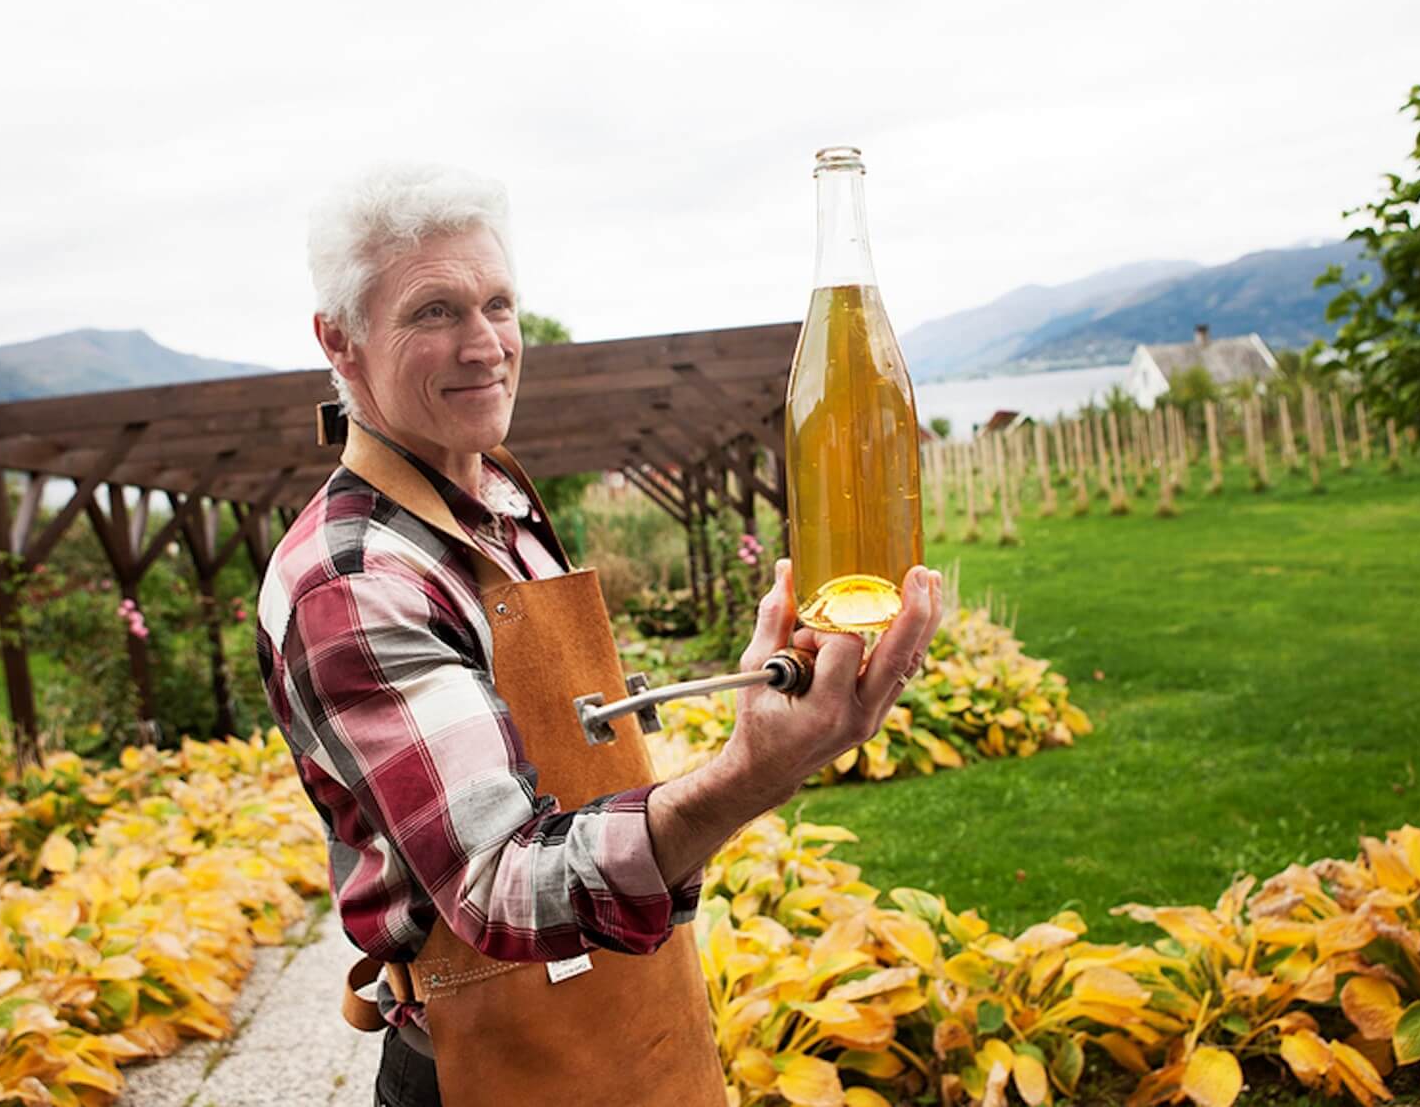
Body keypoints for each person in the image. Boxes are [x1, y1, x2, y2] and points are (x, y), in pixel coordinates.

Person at [256, 162, 944, 1107]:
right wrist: (752, 770)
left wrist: (763, 692)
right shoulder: (354, 578)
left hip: (629, 1018)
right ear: (339, 340)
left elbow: (577, 751)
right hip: (494, 1061)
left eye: (499, 303)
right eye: (433, 312)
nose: (485, 344)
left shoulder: (494, 494)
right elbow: (500, 884)